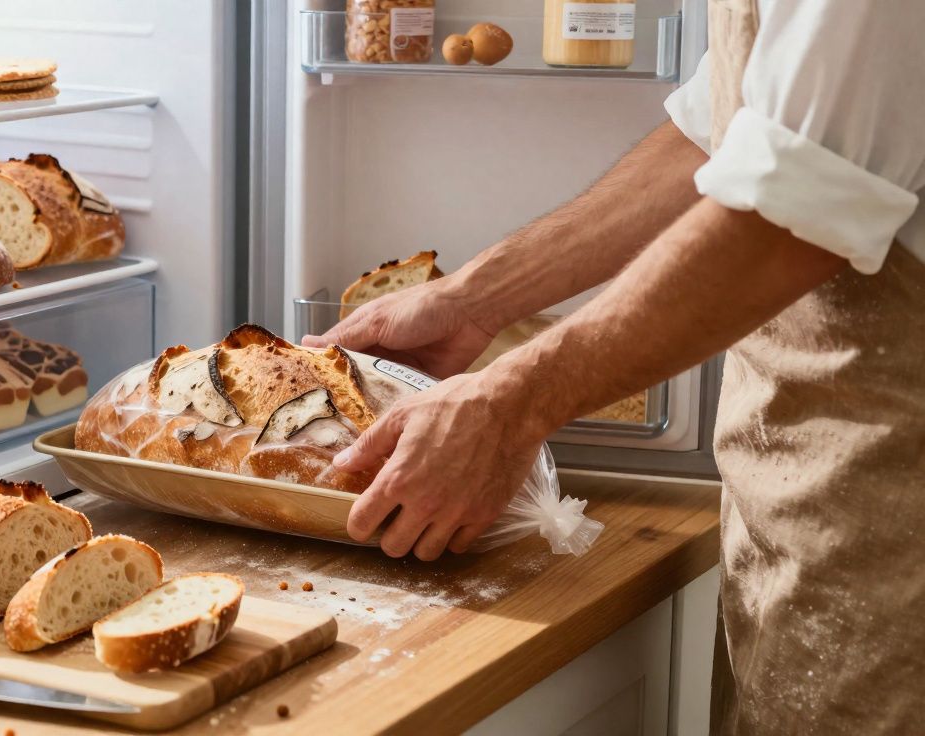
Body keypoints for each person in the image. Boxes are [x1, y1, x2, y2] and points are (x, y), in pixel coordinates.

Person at [303, 1, 925, 733]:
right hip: (802, 505)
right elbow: (714, 138)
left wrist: (510, 402)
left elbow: (788, 218)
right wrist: (473, 300)